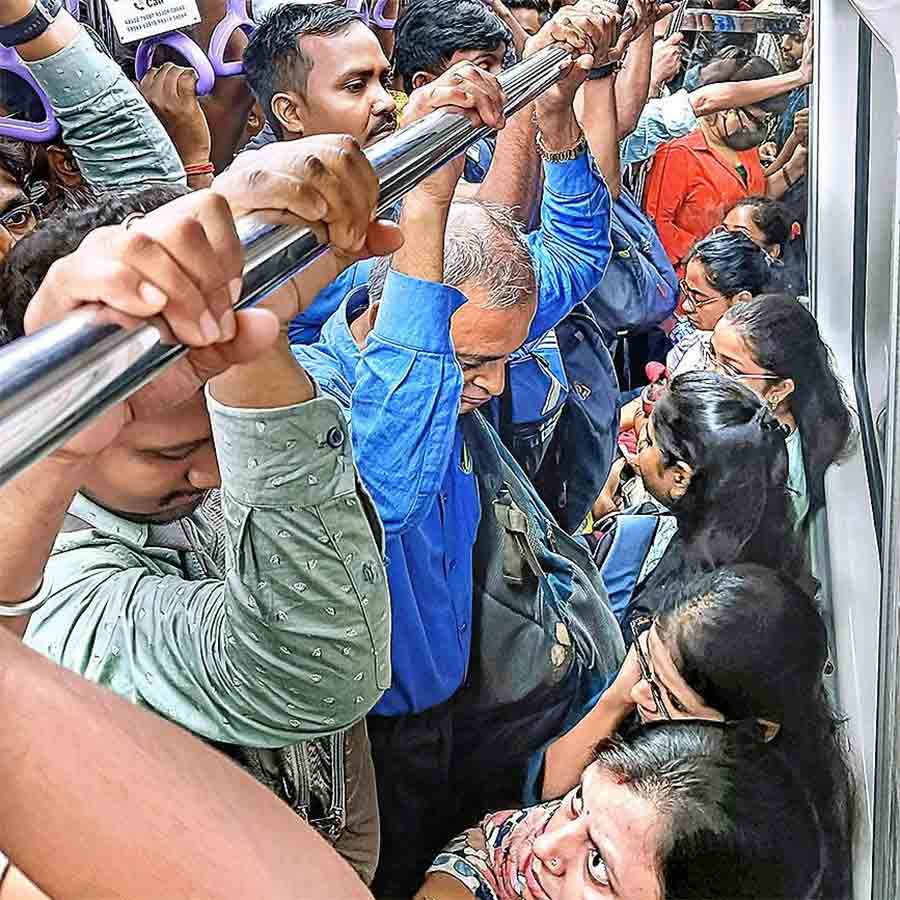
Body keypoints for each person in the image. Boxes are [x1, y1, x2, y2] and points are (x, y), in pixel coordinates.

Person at [6, 138, 402, 884]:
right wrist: (243, 344)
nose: (218, 472)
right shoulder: (60, 604)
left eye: (229, 432)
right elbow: (321, 670)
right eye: (171, 453)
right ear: (65, 435)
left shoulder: (195, 465)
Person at [292, 8, 618, 893]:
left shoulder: (486, 317)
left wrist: (554, 115)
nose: (489, 387)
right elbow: (389, 485)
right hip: (379, 733)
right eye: (468, 364)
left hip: (466, 693)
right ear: (391, 307)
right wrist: (428, 203)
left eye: (504, 360)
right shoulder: (317, 398)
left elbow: (579, 252)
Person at [536, 565, 855, 898]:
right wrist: (616, 697)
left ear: (754, 731)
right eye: (646, 661)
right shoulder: (653, 685)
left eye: (672, 699)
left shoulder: (753, 834)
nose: (638, 693)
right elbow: (550, 787)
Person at [416, 720, 831, 900]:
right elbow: (486, 853)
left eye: (598, 864)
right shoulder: (547, 838)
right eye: (578, 800)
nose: (545, 846)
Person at [620, 371, 807, 617]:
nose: (640, 448)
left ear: (680, 477)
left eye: (647, 443)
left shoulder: (666, 609)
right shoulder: (759, 520)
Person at [0, 0, 185, 203]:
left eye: (17, 215)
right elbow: (146, 187)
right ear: (67, 164)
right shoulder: (140, 215)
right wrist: (196, 162)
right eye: (15, 216)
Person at [710, 293, 855, 527]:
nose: (711, 374)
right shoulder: (745, 421)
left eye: (731, 370)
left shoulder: (775, 476)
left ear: (778, 390)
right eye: (712, 356)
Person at [643, 53, 796, 272]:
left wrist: (795, 164)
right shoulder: (678, 153)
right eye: (755, 120)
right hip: (696, 280)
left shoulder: (744, 146)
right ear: (725, 107)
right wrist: (711, 261)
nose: (758, 129)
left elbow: (757, 200)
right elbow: (657, 225)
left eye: (766, 121)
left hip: (743, 274)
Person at [666, 228, 776, 375]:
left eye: (698, 298)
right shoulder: (696, 338)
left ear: (741, 302)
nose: (686, 306)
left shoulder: (750, 371)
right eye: (686, 291)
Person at [722, 195, 807, 294]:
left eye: (740, 234)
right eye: (723, 230)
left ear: (772, 252)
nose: (724, 240)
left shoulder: (775, 300)